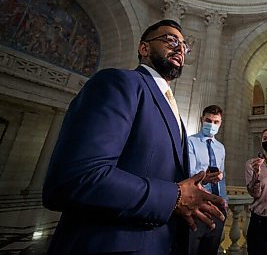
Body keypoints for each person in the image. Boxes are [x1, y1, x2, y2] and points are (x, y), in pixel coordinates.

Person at [42, 19, 225, 255]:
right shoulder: (119, 82)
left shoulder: (176, 113)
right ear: (144, 48)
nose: (180, 48)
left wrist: (189, 186)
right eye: (170, 40)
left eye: (184, 45)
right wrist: (176, 195)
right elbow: (75, 178)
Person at [187, 104, 228, 255]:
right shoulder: (190, 142)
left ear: (220, 123)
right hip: (198, 205)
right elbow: (189, 174)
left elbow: (223, 177)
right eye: (208, 120)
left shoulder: (221, 147)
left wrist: (225, 201)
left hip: (217, 206)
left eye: (216, 122)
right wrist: (205, 179)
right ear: (201, 120)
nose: (212, 125)